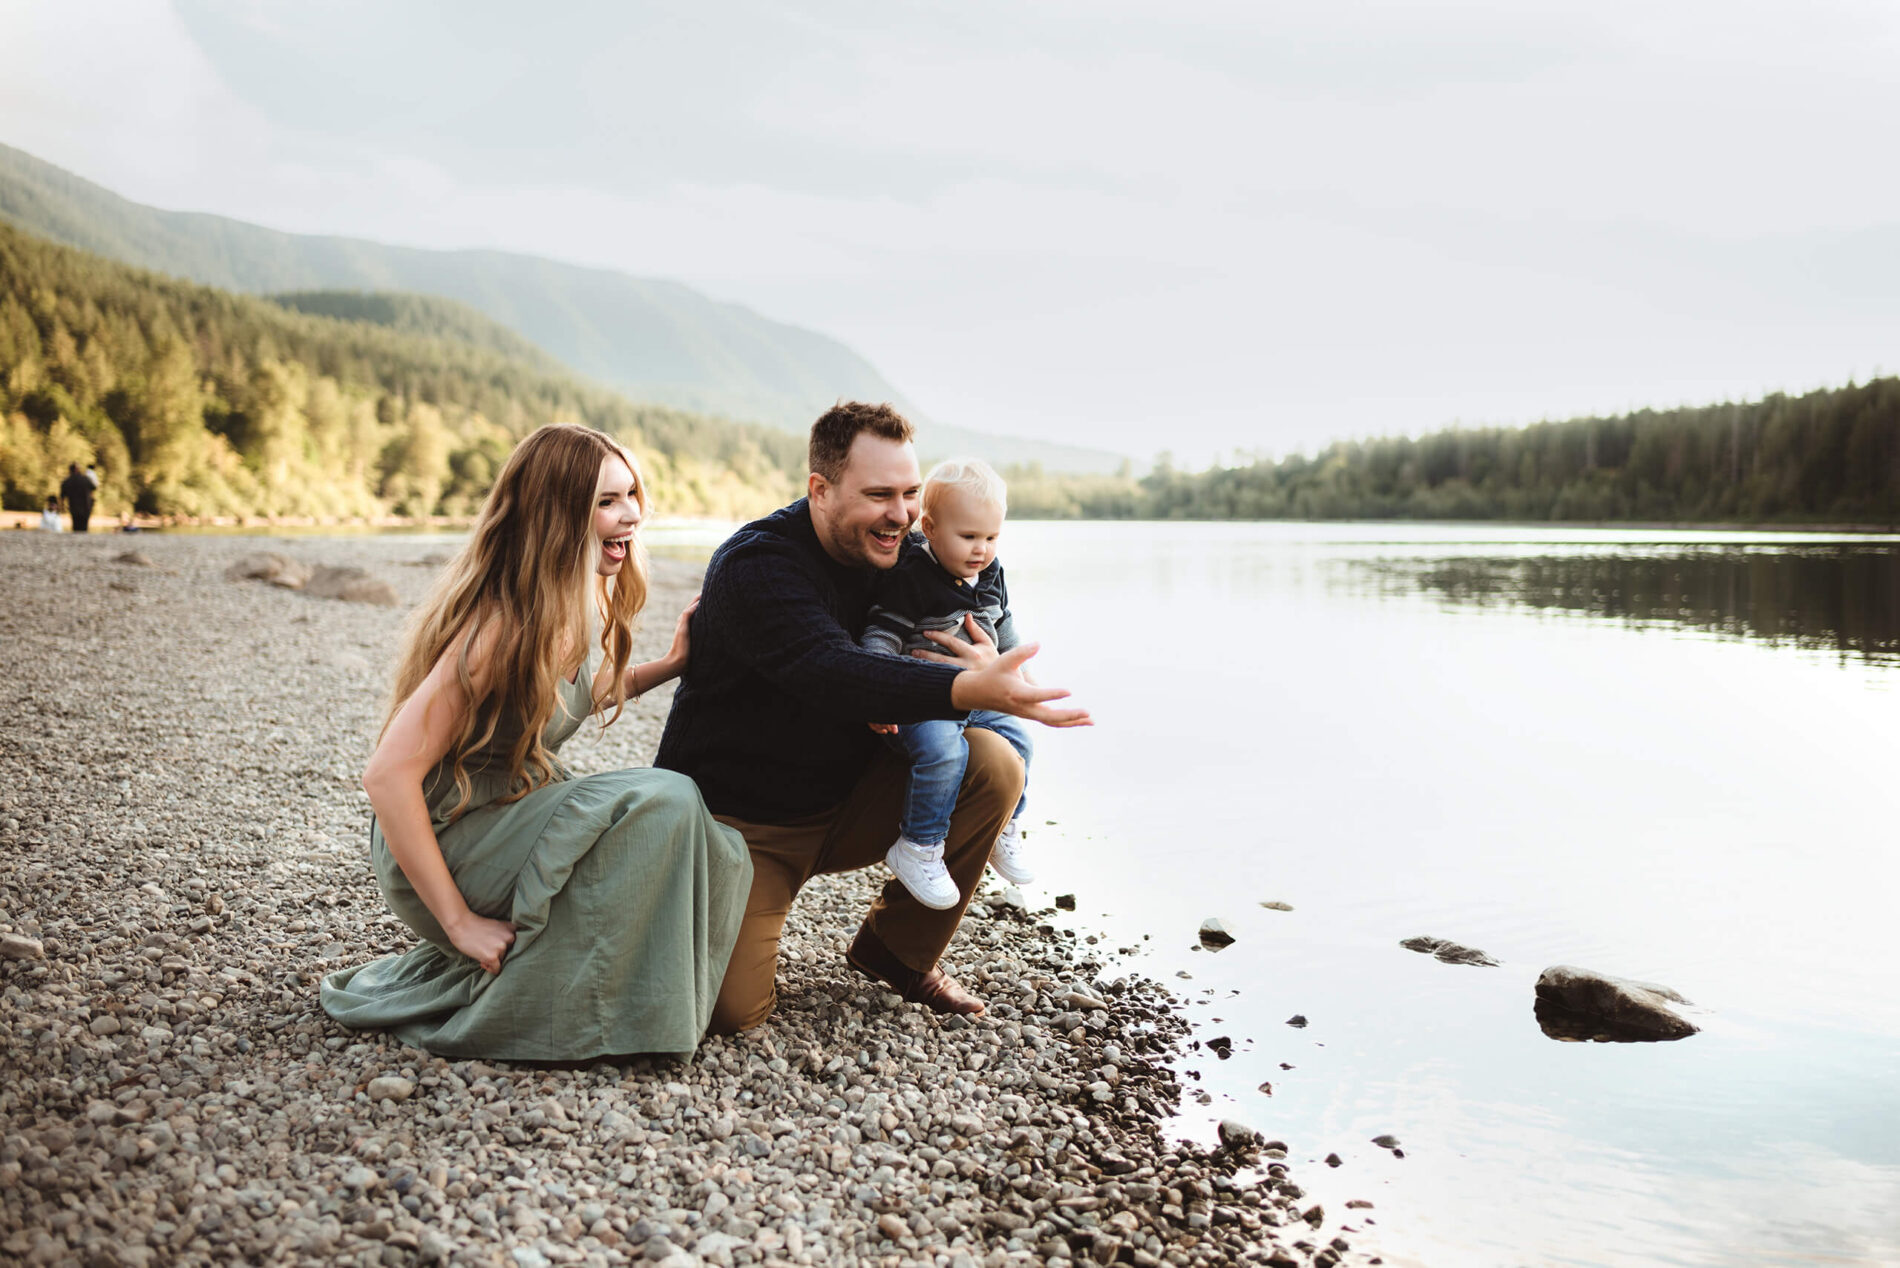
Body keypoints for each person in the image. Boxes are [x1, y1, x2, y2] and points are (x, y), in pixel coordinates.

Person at [655, 402, 1089, 1034]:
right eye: (879, 495)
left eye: (911, 494)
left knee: (995, 761)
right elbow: (834, 671)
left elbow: (979, 601)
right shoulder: (759, 566)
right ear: (820, 490)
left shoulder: (911, 556)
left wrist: (991, 661)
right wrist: (968, 686)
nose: (902, 516)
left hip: (849, 801)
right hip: (744, 829)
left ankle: (898, 951)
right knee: (728, 1015)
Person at [321, 423, 753, 1059]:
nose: (630, 514)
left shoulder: (580, 600)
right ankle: (577, 1006)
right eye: (606, 501)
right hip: (447, 836)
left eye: (632, 494)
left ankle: (629, 995)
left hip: (507, 805)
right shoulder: (500, 626)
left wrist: (671, 664)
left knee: (719, 845)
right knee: (665, 801)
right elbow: (386, 774)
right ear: (557, 514)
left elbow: (581, 692)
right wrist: (460, 925)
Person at [861, 458, 1035, 906]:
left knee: (1020, 738)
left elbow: (1004, 626)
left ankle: (1005, 826)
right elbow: (882, 634)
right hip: (921, 700)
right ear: (931, 528)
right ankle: (918, 845)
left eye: (992, 537)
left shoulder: (991, 574)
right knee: (944, 748)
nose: (982, 549)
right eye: (969, 537)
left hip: (977, 692)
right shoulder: (911, 576)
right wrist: (874, 693)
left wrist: (1021, 679)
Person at [59, 463, 94, 533]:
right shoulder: (86, 479)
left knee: (76, 528)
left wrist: (62, 508)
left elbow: (62, 496)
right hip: (86, 508)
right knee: (84, 528)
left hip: (74, 508)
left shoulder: (67, 481)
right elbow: (93, 489)